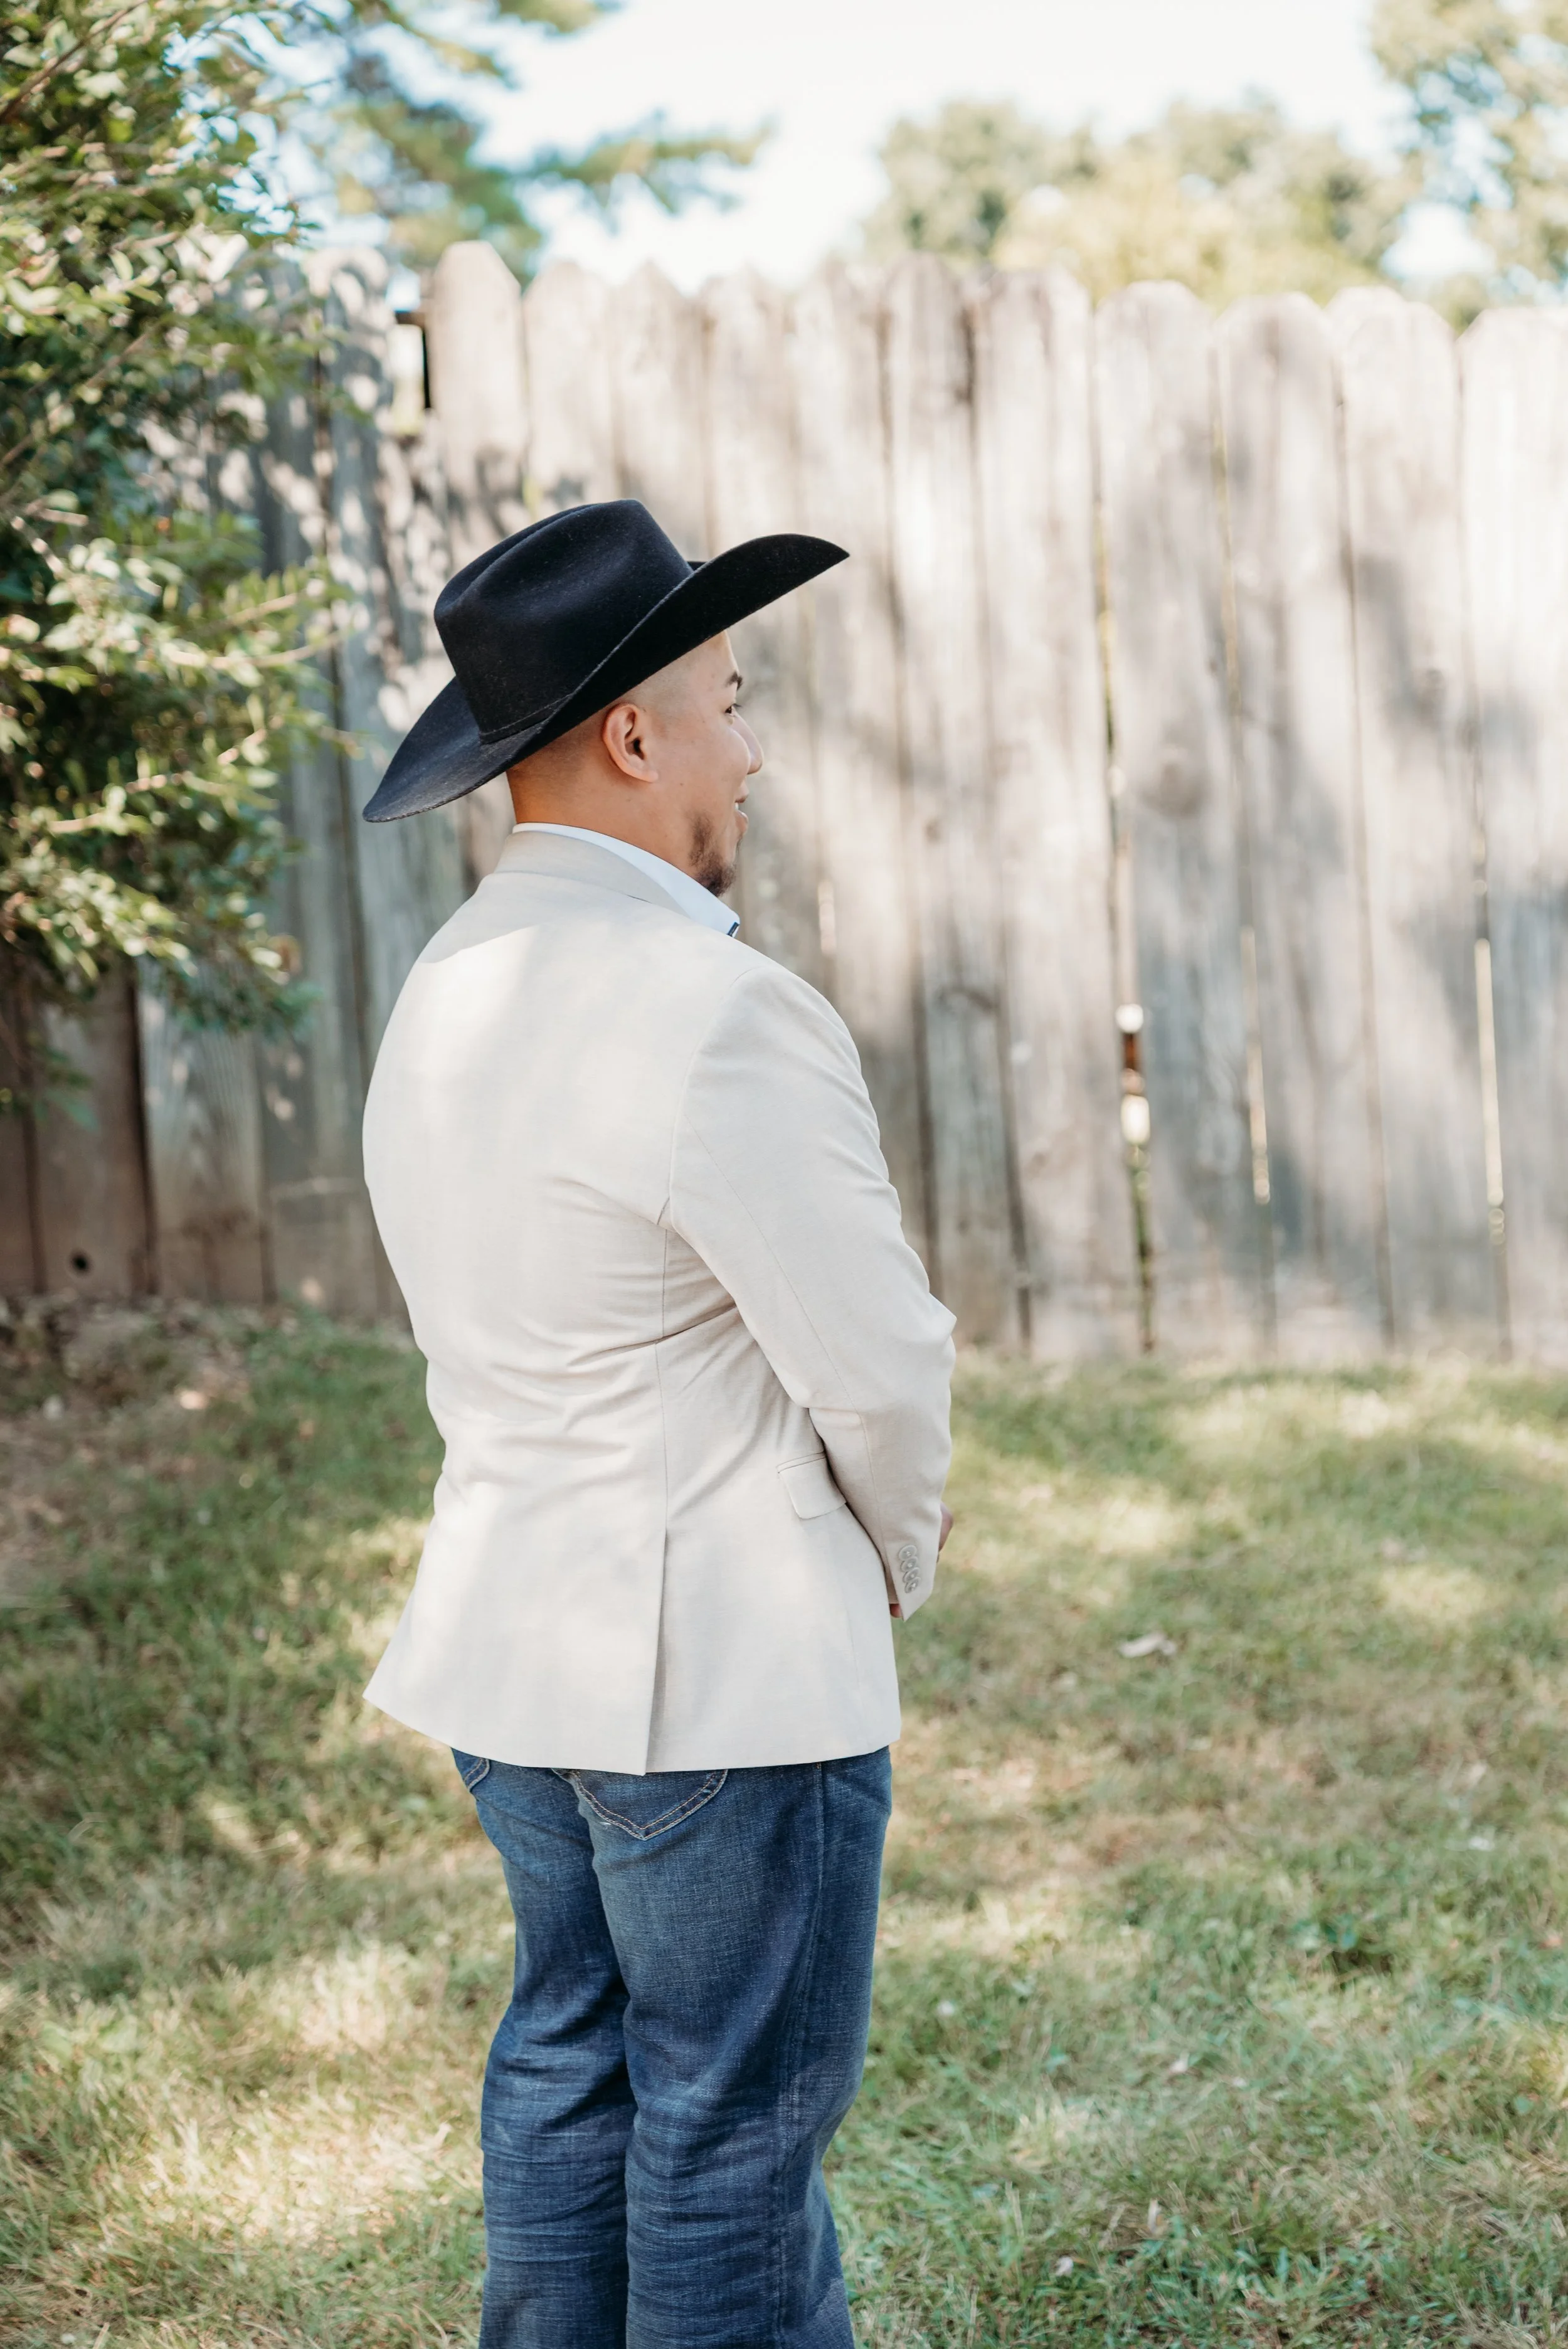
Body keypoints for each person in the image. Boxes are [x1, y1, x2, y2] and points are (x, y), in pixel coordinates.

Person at [358, 499, 956, 2348]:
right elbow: (875, 1362)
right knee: (729, 2123)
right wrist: (890, 1559)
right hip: (720, 1673)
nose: (752, 751)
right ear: (636, 735)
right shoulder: (716, 1010)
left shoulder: (445, 991)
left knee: (570, 2066)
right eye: (734, 698)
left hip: (512, 1647)